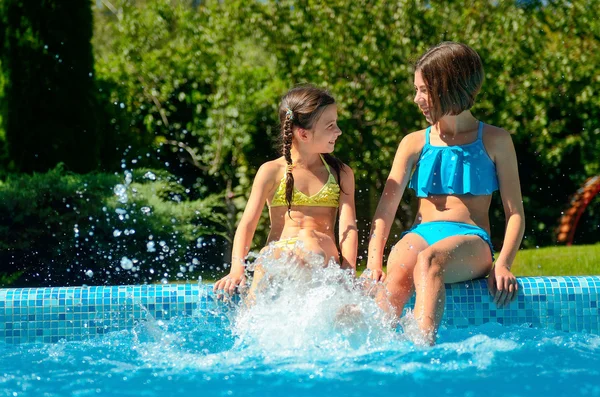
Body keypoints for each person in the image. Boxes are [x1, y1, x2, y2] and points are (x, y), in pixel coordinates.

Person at [365, 42, 525, 344]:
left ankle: (422, 352)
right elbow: (385, 211)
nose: (416, 99)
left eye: (423, 90)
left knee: (429, 261)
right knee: (399, 262)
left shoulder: (495, 140)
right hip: (423, 232)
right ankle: (374, 350)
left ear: (447, 87)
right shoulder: (413, 143)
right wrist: (374, 262)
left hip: (471, 240)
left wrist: (503, 263)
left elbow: (514, 213)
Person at [213, 85, 358, 299]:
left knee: (309, 248)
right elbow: (248, 224)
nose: (338, 131)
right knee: (265, 260)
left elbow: (348, 227)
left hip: (320, 254)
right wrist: (237, 270)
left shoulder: (340, 173)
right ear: (303, 134)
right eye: (331, 126)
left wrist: (348, 271)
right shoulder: (271, 171)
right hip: (280, 254)